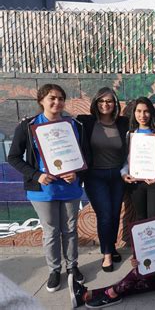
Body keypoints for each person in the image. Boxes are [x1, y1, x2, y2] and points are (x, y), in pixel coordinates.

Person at [8, 84, 88, 292]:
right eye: (52, 98)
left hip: (69, 187)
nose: (57, 102)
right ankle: (54, 270)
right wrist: (37, 175)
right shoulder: (28, 126)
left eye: (61, 98)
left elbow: (85, 156)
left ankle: (72, 267)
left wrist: (77, 173)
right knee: (51, 232)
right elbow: (14, 157)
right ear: (41, 100)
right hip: (42, 189)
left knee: (70, 229)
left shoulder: (75, 125)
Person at [77, 87, 129, 272]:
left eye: (109, 101)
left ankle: (112, 246)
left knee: (114, 214)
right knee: (105, 214)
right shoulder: (86, 122)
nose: (105, 104)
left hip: (118, 175)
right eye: (101, 101)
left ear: (115, 104)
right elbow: (60, 125)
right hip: (95, 176)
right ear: (96, 103)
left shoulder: (123, 123)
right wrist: (29, 122)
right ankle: (107, 254)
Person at [120, 97, 155, 221]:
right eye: (139, 111)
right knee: (140, 218)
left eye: (146, 111)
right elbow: (127, 159)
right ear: (134, 113)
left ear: (151, 113)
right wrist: (124, 173)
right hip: (136, 183)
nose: (142, 115)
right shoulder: (130, 134)